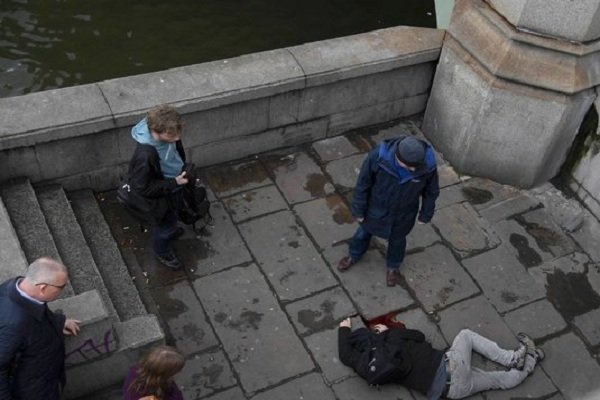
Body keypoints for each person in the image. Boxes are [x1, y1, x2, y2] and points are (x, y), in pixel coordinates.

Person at [338, 318, 544, 399]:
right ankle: (513, 359)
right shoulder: (391, 337)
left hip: (451, 392)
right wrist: (346, 327)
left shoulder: (369, 364)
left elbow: (346, 356)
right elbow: (419, 336)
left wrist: (343, 334)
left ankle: (529, 362)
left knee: (497, 381)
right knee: (466, 336)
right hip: (450, 368)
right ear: (374, 332)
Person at [337, 135, 440, 286]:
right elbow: (363, 184)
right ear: (397, 157)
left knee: (397, 242)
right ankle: (353, 255)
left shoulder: (427, 167)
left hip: (404, 214)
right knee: (362, 234)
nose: (413, 170)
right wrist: (358, 210)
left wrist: (426, 214)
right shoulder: (377, 158)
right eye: (408, 166)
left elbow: (431, 191)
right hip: (375, 209)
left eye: (415, 166)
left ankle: (393, 267)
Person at [0, 257, 81, 400]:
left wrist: (58, 322)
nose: (63, 289)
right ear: (43, 287)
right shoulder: (15, 326)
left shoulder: (16, 288)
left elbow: (36, 310)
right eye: (61, 286)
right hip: (32, 391)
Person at [124, 104, 191, 270]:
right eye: (171, 135)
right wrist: (174, 182)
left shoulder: (167, 133)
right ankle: (162, 251)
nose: (177, 138)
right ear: (155, 130)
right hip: (164, 193)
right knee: (165, 225)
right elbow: (143, 188)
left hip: (172, 184)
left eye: (178, 134)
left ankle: (170, 230)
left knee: (172, 217)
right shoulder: (145, 155)